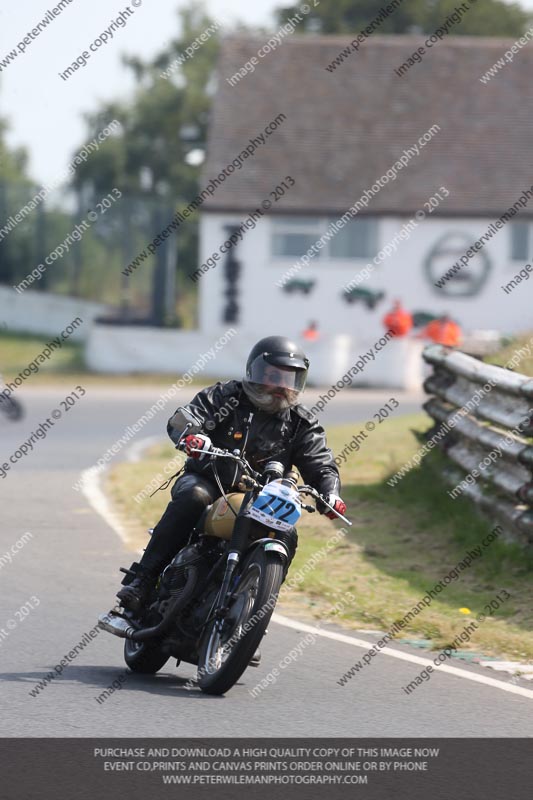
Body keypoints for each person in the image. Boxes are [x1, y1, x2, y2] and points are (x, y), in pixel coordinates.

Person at [117, 335, 347, 612]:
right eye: (272, 376)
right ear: (253, 371)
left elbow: (320, 463)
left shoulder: (301, 423)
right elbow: (187, 417)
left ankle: (251, 616)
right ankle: (143, 580)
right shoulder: (225, 397)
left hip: (264, 497)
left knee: (288, 534)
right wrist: (193, 436)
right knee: (193, 496)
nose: (280, 387)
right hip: (210, 480)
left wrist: (330, 493)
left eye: (289, 379)